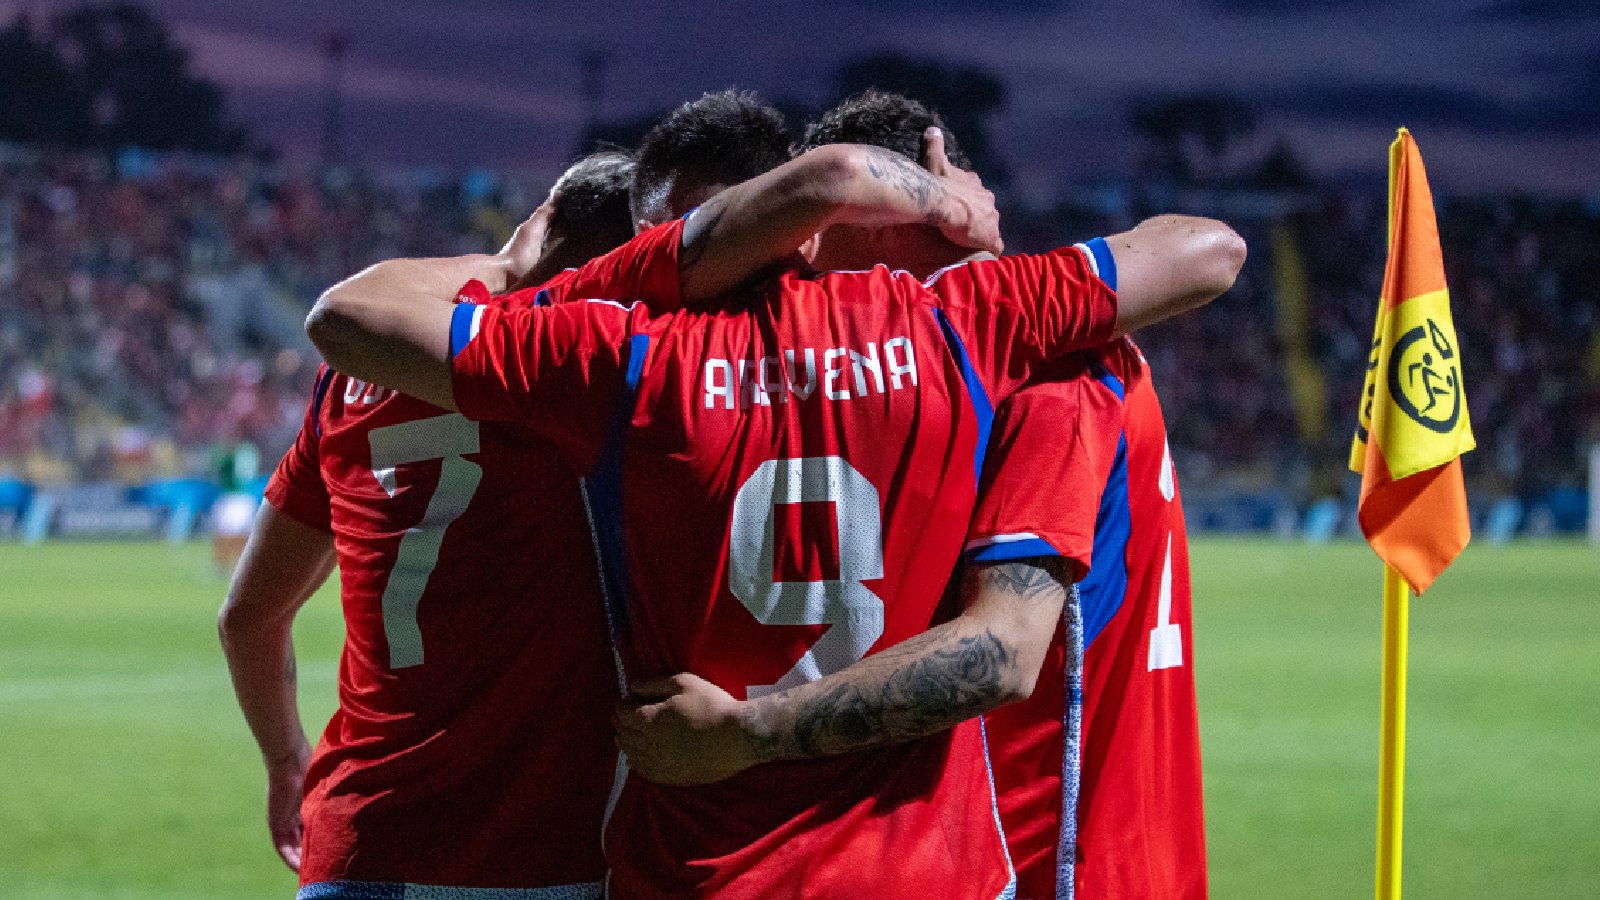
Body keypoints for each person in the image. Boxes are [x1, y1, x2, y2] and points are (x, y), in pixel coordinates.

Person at [307, 85, 1237, 896]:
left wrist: (518, 271)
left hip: (697, 869)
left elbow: (347, 319)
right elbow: (1207, 251)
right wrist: (963, 216)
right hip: (922, 871)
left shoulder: (618, 360)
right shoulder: (968, 325)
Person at [229, 129, 1005, 898]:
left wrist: (285, 761)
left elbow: (248, 616)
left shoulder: (356, 384)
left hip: (357, 844)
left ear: (540, 220)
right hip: (538, 854)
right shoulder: (588, 377)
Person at [613, 93, 1224, 899]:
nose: (792, 268)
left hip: (1058, 851)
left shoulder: (1048, 377)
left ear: (885, 206)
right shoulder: (1031, 345)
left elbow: (1002, 650)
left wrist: (741, 735)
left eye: (811, 231)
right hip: (1106, 842)